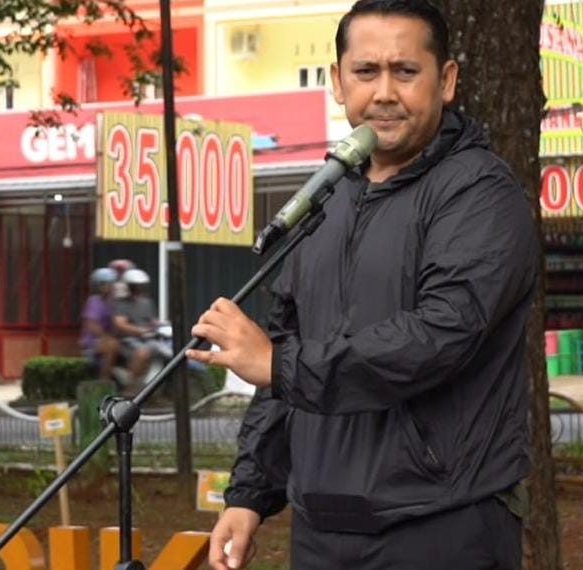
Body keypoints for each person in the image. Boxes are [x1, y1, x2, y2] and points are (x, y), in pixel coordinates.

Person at [187, 1, 538, 568]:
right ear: (336, 81)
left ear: (445, 81)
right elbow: (284, 350)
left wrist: (279, 363)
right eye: (366, 72)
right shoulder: (327, 200)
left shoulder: (480, 193)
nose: (384, 92)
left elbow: (440, 335)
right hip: (322, 529)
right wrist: (249, 493)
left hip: (442, 522)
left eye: (405, 71)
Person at [112, 268, 161, 387]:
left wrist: (161, 324)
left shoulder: (147, 302)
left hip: (149, 338)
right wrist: (139, 330)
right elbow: (120, 323)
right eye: (135, 286)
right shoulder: (122, 304)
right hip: (129, 340)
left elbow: (151, 320)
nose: (138, 289)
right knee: (142, 353)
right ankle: (131, 384)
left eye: (140, 286)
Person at [80, 268, 120, 382]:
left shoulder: (114, 302)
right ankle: (103, 380)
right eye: (105, 284)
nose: (110, 286)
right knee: (112, 345)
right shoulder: (94, 301)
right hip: (92, 342)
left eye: (111, 283)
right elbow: (92, 324)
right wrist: (106, 337)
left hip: (109, 337)